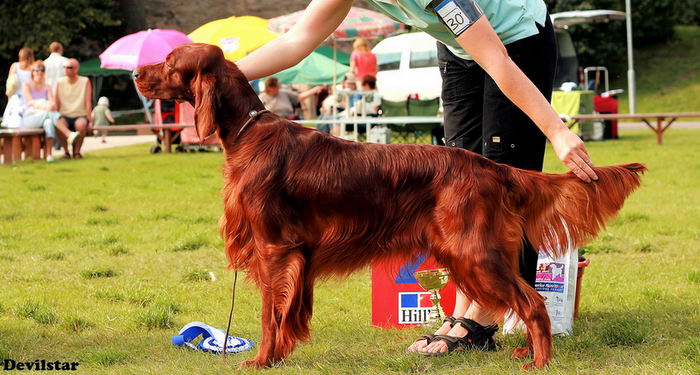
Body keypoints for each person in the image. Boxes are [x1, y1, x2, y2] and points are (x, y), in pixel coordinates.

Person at [237, 0, 598, 355]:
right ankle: (462, 312)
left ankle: (483, 321)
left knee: (497, 175)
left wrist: (557, 130)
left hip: (516, 41)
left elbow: (497, 60)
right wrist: (221, 72)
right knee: (459, 188)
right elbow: (295, 41)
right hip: (459, 49)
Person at [21, 60, 62, 162]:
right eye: (37, 70)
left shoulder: (47, 86)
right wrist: (46, 106)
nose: (40, 72)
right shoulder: (26, 85)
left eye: (42, 70)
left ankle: (49, 155)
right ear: (33, 71)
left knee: (49, 123)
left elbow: (52, 103)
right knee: (50, 114)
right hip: (30, 117)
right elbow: (31, 102)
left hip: (45, 116)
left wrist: (48, 106)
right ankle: (68, 133)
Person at [54, 58, 91, 159]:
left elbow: (88, 102)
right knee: (58, 124)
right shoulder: (59, 82)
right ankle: (66, 152)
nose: (66, 69)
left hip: (80, 114)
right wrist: (56, 115)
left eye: (69, 67)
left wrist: (90, 121)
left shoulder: (85, 81)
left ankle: (77, 152)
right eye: (65, 67)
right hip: (64, 114)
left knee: (81, 124)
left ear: (76, 69)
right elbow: (56, 102)